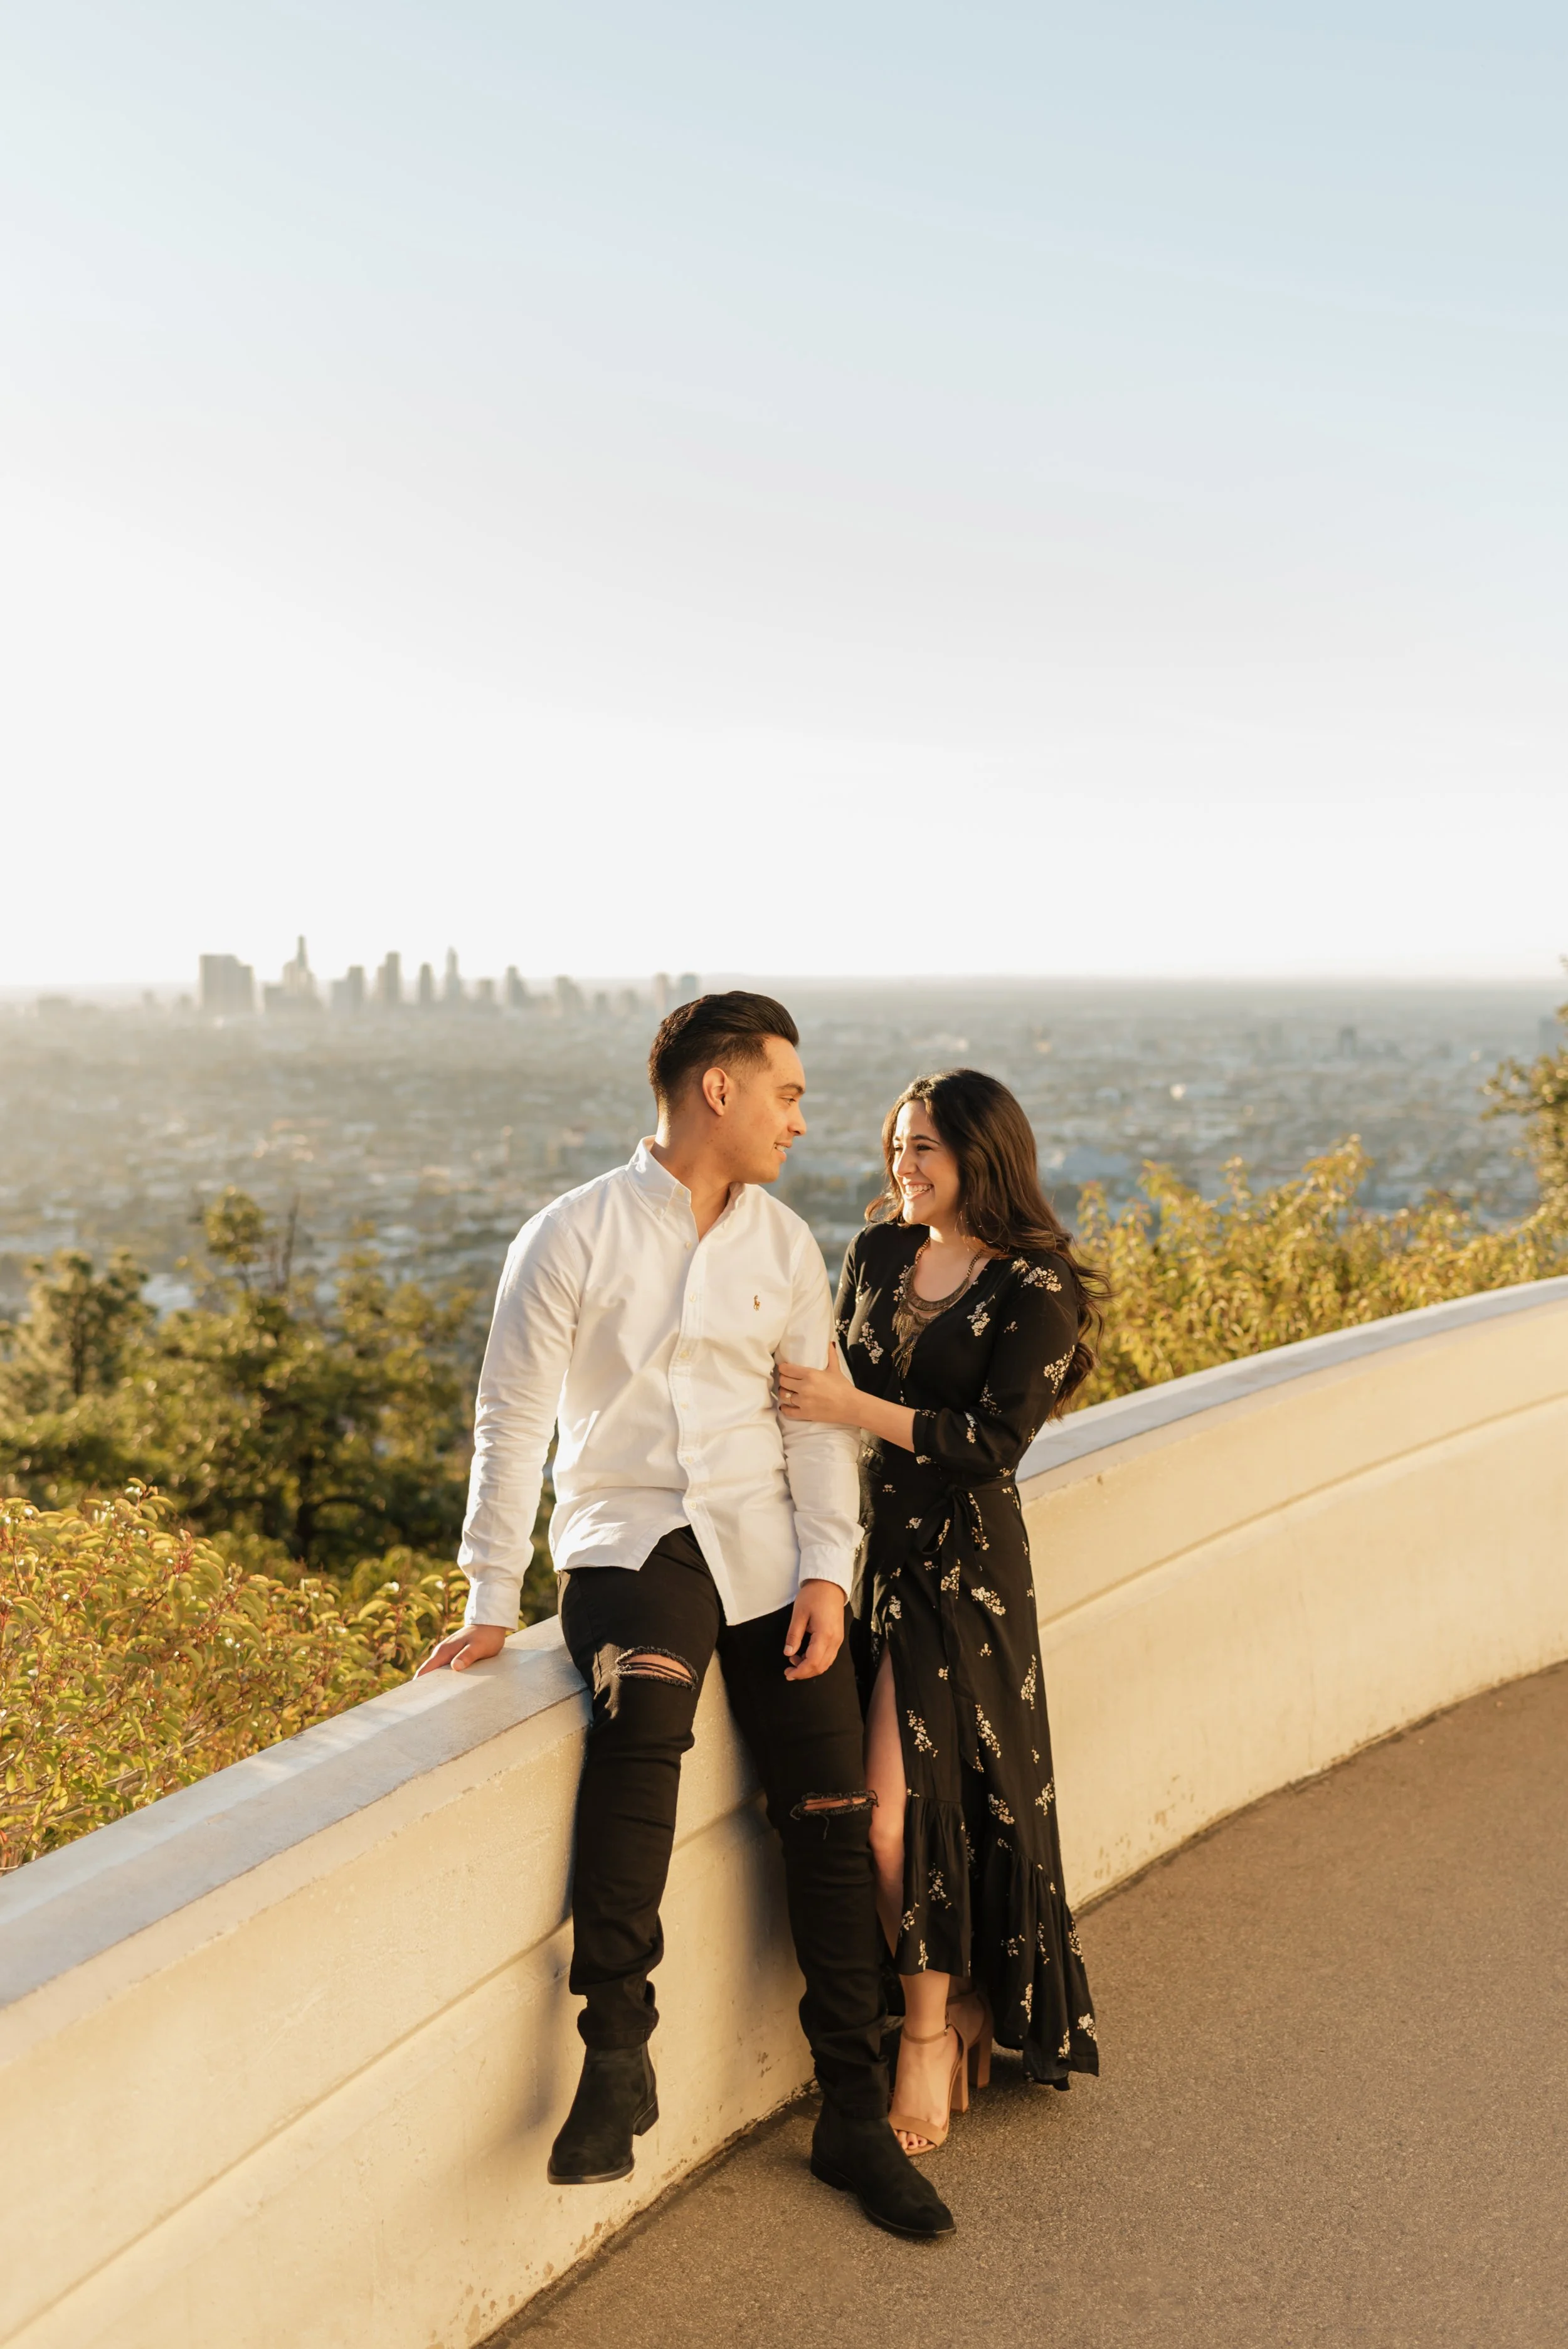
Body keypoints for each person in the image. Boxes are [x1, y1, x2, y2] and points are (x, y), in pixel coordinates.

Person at [418, 994, 953, 2242]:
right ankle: (615, 2053)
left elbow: (811, 1419)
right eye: (788, 1095)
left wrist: (827, 1570)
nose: (800, 1122)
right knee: (643, 1718)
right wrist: (490, 1596)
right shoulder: (568, 1236)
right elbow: (511, 1418)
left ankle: (854, 2119)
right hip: (629, 1537)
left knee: (830, 1807)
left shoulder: (780, 1247)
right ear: (718, 1090)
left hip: (767, 1548)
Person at [778, 1067, 1104, 2155]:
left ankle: (928, 2034)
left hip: (962, 1577)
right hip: (871, 1558)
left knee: (890, 1817)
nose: (901, 1167)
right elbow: (811, 1396)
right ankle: (950, 2007)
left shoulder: (1036, 1285)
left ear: (982, 1156)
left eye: (923, 1148)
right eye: (896, 1147)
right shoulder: (875, 1254)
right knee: (893, 1811)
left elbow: (993, 1446)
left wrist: (852, 1404)